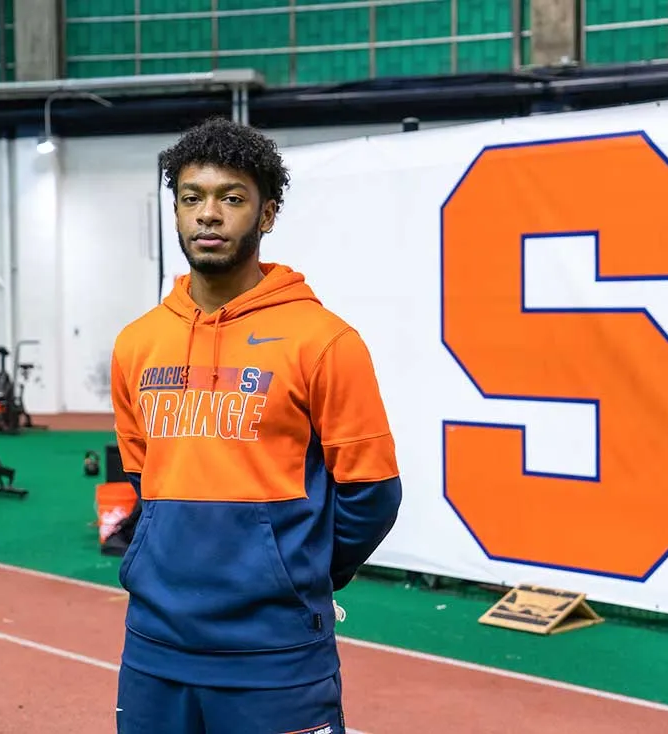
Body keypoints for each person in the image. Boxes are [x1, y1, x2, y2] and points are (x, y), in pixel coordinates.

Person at [109, 117, 403, 734]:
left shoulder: (325, 342)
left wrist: (292, 573)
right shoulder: (137, 343)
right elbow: (143, 477)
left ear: (266, 215)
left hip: (275, 657)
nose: (207, 216)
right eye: (191, 199)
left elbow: (372, 494)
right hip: (154, 649)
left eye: (231, 198)